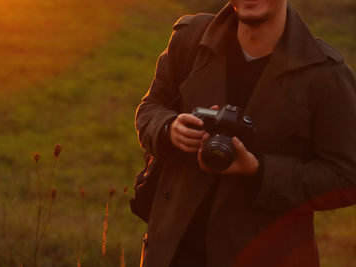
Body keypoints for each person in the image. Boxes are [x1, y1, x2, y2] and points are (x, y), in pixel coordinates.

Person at [135, 0, 356, 266]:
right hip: (172, 253)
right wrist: (170, 128)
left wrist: (259, 170)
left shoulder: (326, 75)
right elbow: (150, 108)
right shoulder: (190, 39)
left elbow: (347, 177)